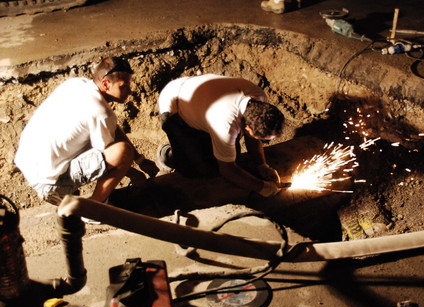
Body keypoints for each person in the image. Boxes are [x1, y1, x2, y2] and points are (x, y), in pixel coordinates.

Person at [15, 56, 159, 209]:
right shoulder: (102, 112)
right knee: (123, 152)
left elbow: (112, 128)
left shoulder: (76, 84)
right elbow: (116, 156)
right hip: (49, 184)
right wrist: (135, 174)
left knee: (111, 143)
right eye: (123, 86)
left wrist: (140, 160)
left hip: (30, 165)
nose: (129, 90)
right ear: (105, 84)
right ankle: (94, 208)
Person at [157, 74, 284, 197]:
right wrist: (263, 188)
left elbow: (252, 137)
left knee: (232, 157)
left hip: (201, 100)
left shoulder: (259, 98)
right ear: (246, 127)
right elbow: (227, 170)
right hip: (175, 104)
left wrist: (261, 165)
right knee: (201, 169)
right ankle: (167, 154)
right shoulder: (225, 124)